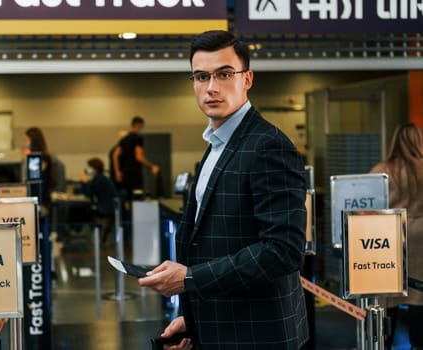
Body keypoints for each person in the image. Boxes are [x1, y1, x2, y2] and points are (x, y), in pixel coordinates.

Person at [138, 30, 308, 349]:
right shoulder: (218, 144)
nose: (212, 87)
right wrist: (197, 321)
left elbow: (283, 251)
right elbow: (221, 243)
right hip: (225, 326)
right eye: (201, 76)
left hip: (259, 337)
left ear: (247, 79)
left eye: (224, 74)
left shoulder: (268, 146)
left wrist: (189, 278)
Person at [370, 123, 423, 349]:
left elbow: (370, 206)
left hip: (389, 237)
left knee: (386, 299)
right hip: (420, 238)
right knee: (419, 299)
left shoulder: (381, 170)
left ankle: (385, 342)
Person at [111, 116, 159, 201]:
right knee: (137, 199)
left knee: (128, 199)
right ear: (138, 125)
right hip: (134, 174)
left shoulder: (124, 139)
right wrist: (152, 166)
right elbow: (139, 157)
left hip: (125, 175)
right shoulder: (137, 138)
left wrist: (117, 172)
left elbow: (115, 155)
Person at [79, 157, 118, 245]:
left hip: (106, 209)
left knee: (80, 212)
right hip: (107, 207)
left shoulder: (100, 180)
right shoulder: (100, 179)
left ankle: (79, 232)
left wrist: (84, 182)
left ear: (95, 169)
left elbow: (88, 192)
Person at [25, 127, 57, 209]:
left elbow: (36, 181)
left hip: (41, 200)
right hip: (38, 198)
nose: (26, 143)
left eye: (27, 140)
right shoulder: (38, 157)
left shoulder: (38, 158)